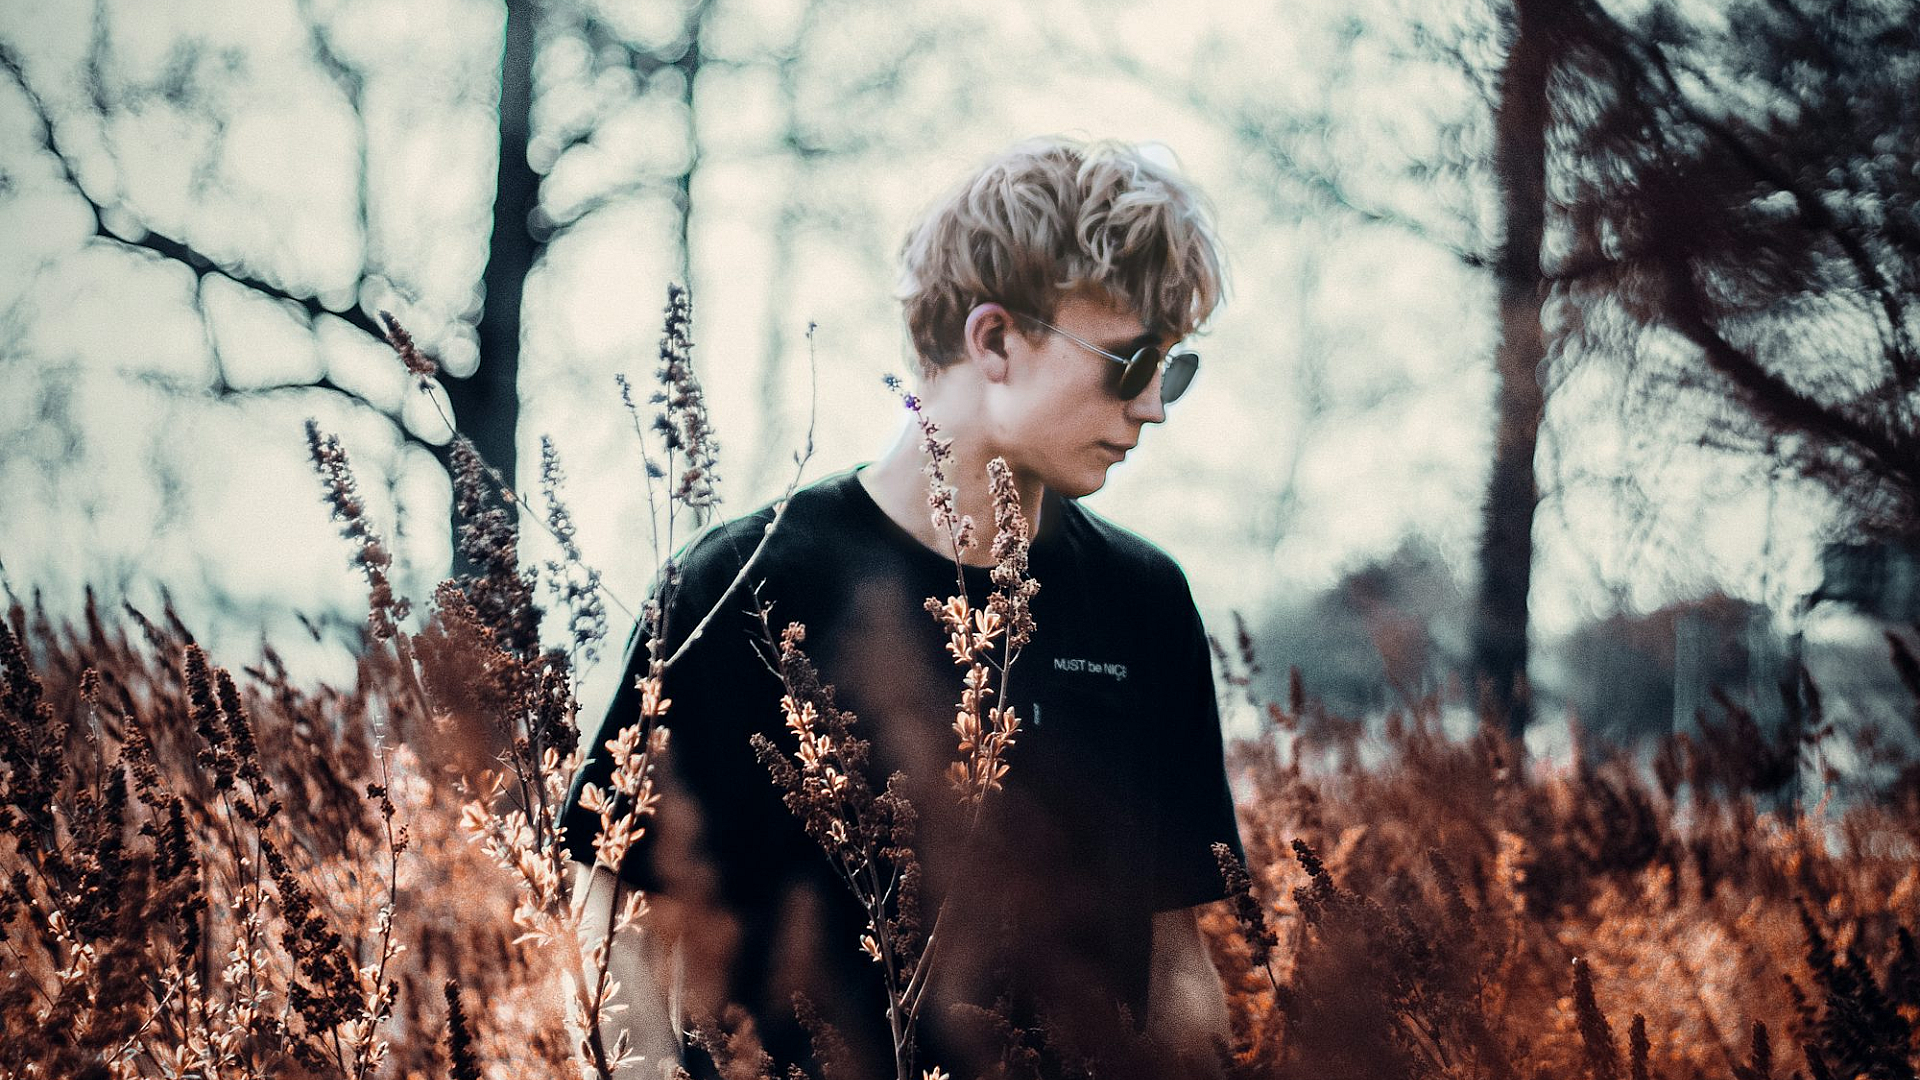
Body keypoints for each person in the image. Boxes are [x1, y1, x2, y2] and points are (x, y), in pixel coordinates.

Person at [562, 136, 1244, 1080]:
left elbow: (1176, 968)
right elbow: (619, 935)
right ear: (994, 340)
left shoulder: (1145, 604)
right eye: (1130, 365)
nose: (1155, 407)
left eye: (1176, 369)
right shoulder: (740, 586)